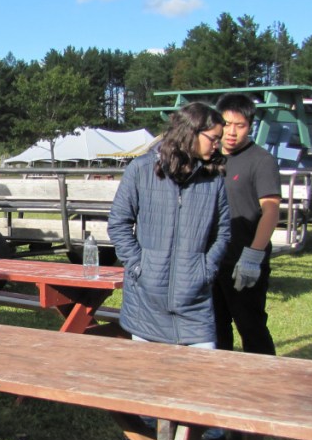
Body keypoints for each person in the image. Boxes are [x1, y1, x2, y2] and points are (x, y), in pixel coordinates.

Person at [107, 101, 231, 348]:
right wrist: (139, 266)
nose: (218, 145)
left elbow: (223, 231)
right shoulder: (141, 169)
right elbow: (118, 223)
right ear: (191, 132)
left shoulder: (213, 178)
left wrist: (205, 269)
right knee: (149, 382)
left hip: (195, 304)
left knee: (200, 379)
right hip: (146, 303)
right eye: (214, 138)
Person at [213, 93, 280, 356]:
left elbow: (271, 210)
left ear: (250, 126)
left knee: (251, 328)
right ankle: (221, 385)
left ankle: (264, 386)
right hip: (212, 260)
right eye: (226, 124)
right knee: (215, 329)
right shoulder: (210, 157)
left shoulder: (261, 160)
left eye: (239, 125)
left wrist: (253, 255)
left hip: (243, 261)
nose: (231, 132)